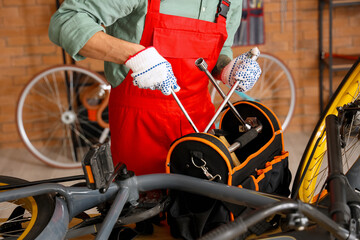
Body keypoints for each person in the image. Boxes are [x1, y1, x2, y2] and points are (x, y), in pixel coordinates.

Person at [48, 0, 261, 176]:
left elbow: (219, 51)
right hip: (139, 125)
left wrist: (227, 69)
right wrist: (134, 55)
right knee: (140, 214)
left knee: (199, 215)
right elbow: (67, 20)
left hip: (199, 122)